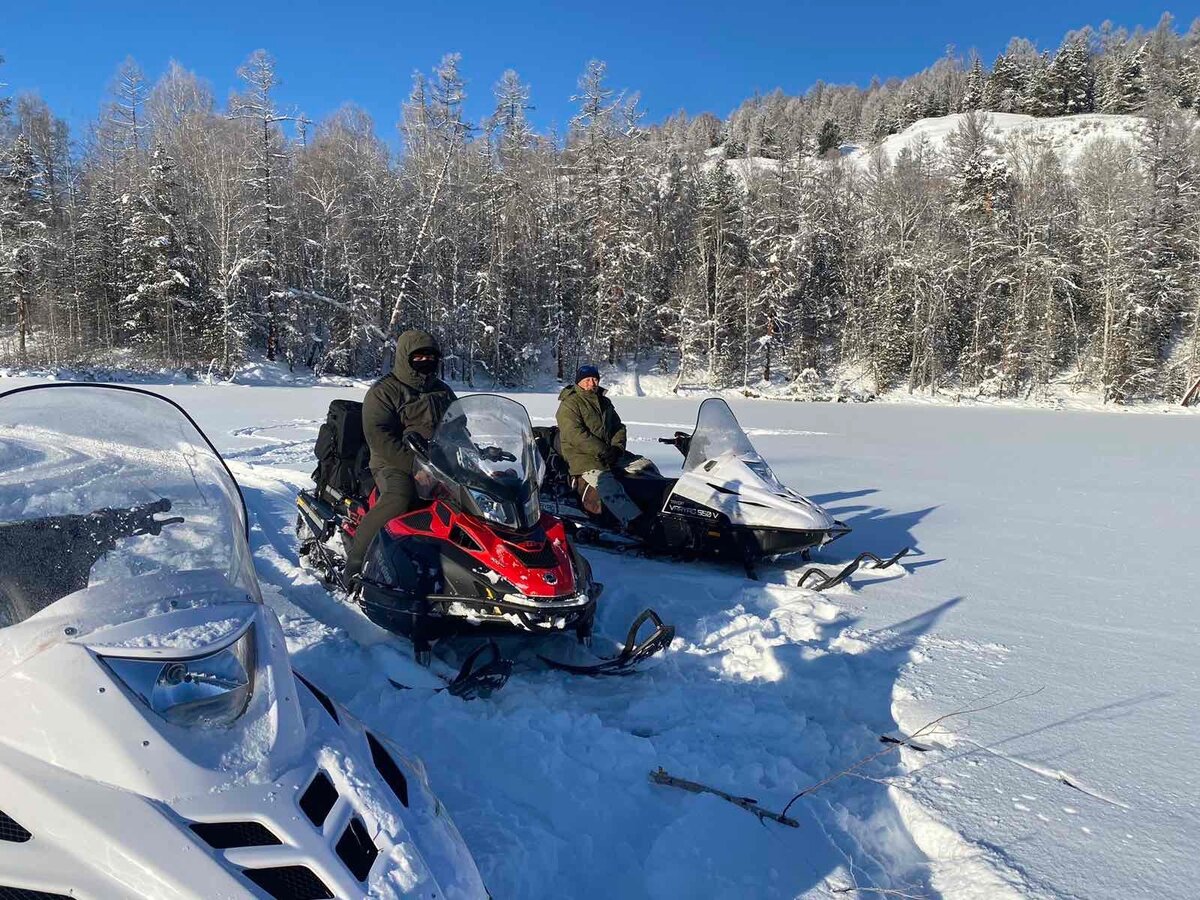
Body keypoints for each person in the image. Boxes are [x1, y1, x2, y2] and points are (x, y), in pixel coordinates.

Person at [345, 329, 457, 581]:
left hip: (440, 462)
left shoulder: (443, 392)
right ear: (405, 357)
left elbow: (459, 428)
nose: (425, 361)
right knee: (400, 497)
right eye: (418, 357)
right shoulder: (385, 391)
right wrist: (415, 466)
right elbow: (379, 436)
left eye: (430, 356)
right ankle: (355, 565)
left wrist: (478, 454)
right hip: (393, 462)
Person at [555, 365, 657, 534]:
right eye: (587, 380)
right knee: (606, 483)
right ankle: (634, 522)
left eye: (594, 379)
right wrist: (604, 450)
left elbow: (618, 427)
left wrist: (617, 448)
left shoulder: (604, 402)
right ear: (579, 382)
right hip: (582, 456)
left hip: (609, 452)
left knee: (644, 464)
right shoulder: (570, 404)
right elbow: (575, 435)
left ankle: (654, 505)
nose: (591, 383)